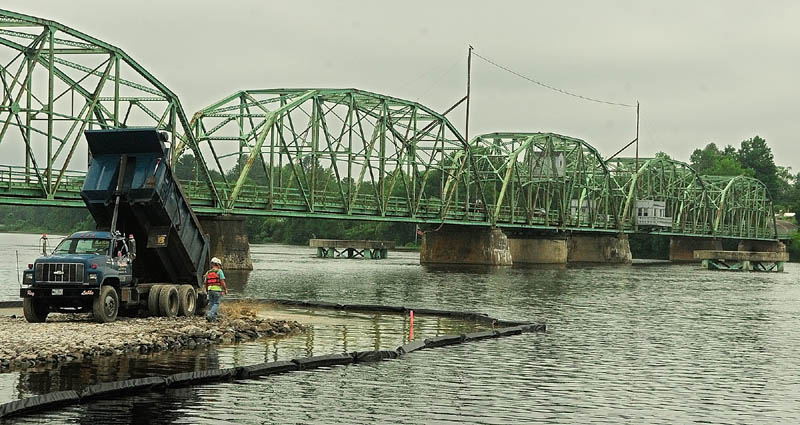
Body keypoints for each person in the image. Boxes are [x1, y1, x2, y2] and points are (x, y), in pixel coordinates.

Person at [204, 257, 228, 321]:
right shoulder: (219, 271)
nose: (220, 266)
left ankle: (213, 318)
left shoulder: (208, 272)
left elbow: (205, 282)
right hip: (217, 290)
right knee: (216, 303)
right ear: (217, 265)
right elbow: (222, 281)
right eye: (220, 265)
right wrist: (225, 289)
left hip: (210, 290)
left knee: (212, 303)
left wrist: (207, 290)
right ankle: (210, 315)